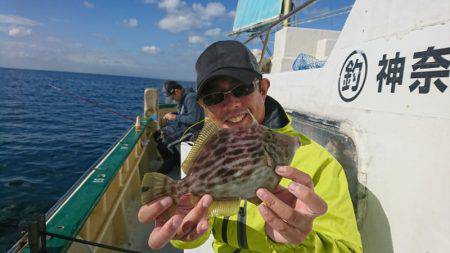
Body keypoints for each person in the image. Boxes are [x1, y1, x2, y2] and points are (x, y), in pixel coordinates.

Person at [139, 40, 362, 252]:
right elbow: (205, 225)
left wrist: (297, 243)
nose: (232, 104)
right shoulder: (212, 150)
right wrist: (183, 231)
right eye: (215, 97)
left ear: (263, 89)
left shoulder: (320, 164)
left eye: (242, 88)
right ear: (204, 106)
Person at [154, 81, 204, 173]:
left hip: (193, 130)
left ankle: (168, 164)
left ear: (176, 91)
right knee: (157, 134)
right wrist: (175, 114)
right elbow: (186, 114)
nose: (173, 100)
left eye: (172, 97)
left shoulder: (190, 98)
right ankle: (176, 161)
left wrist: (174, 117)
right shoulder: (183, 98)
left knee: (164, 142)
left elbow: (195, 119)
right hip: (185, 127)